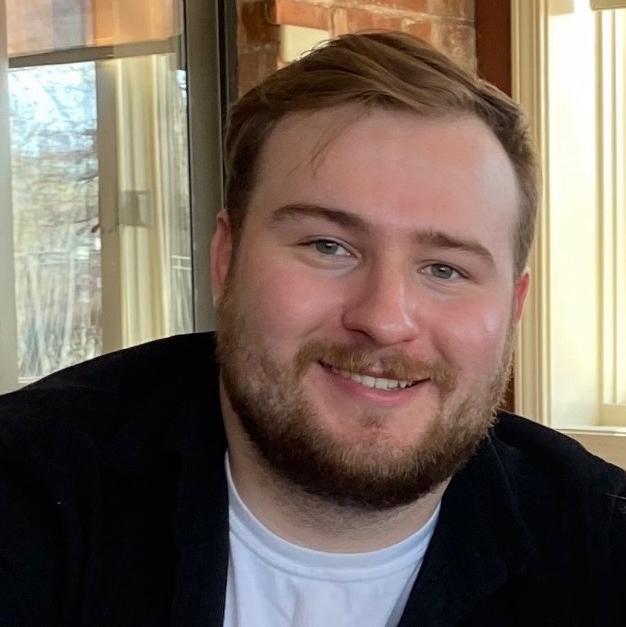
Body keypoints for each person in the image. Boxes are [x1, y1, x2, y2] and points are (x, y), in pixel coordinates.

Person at [0, 31, 624, 627]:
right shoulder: (27, 490)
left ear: (513, 307)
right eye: (328, 246)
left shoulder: (601, 548)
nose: (384, 320)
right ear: (225, 261)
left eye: (444, 269)